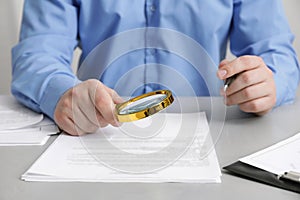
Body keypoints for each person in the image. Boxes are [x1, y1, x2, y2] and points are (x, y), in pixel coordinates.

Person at [12, 0, 300, 136]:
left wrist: (267, 82)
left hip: (212, 138)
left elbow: (276, 53)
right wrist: (63, 93)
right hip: (98, 134)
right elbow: (37, 53)